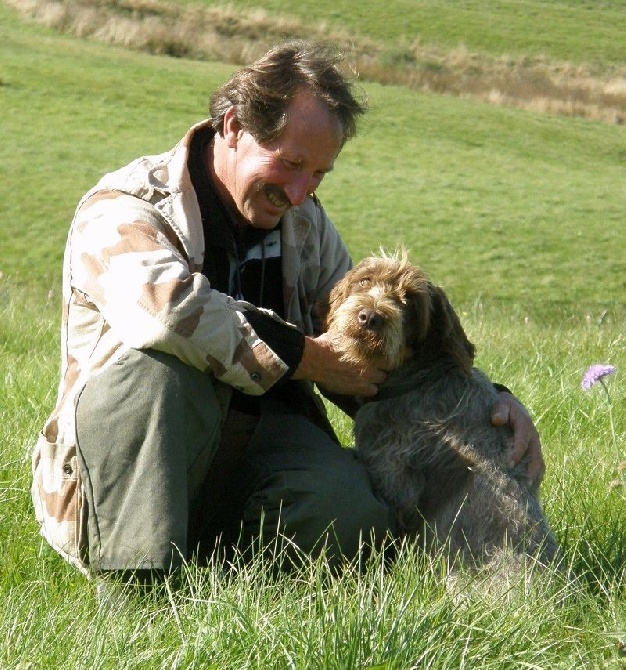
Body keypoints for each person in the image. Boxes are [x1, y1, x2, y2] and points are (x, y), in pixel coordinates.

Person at [31, 40, 544, 582]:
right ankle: (134, 591)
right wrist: (306, 358)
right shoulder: (124, 209)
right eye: (292, 163)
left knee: (354, 516)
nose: (301, 194)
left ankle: (225, 574)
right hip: (136, 458)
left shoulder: (304, 223)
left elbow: (364, 338)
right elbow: (168, 314)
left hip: (257, 437)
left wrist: (487, 402)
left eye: (319, 175)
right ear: (233, 126)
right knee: (154, 368)